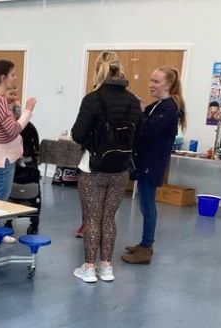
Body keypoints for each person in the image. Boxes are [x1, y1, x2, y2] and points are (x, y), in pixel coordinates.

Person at [71, 51, 142, 283]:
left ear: (97, 70)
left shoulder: (92, 99)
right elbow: (138, 135)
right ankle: (106, 268)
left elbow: (78, 134)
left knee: (92, 218)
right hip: (121, 168)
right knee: (109, 218)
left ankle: (89, 268)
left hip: (93, 168)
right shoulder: (133, 100)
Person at [121, 66, 187, 265]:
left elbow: (147, 131)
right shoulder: (159, 105)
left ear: (168, 84)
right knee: (146, 205)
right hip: (147, 162)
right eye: (151, 80)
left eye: (156, 81)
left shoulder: (168, 109)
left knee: (148, 206)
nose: (151, 85)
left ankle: (146, 248)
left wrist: (141, 112)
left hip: (152, 164)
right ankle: (144, 243)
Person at [0, 59, 37, 247]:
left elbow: (6, 125)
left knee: (2, 196)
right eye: (13, 75)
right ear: (3, 78)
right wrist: (28, 110)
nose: (16, 78)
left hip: (3, 155)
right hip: (2, 156)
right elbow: (13, 130)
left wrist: (15, 107)